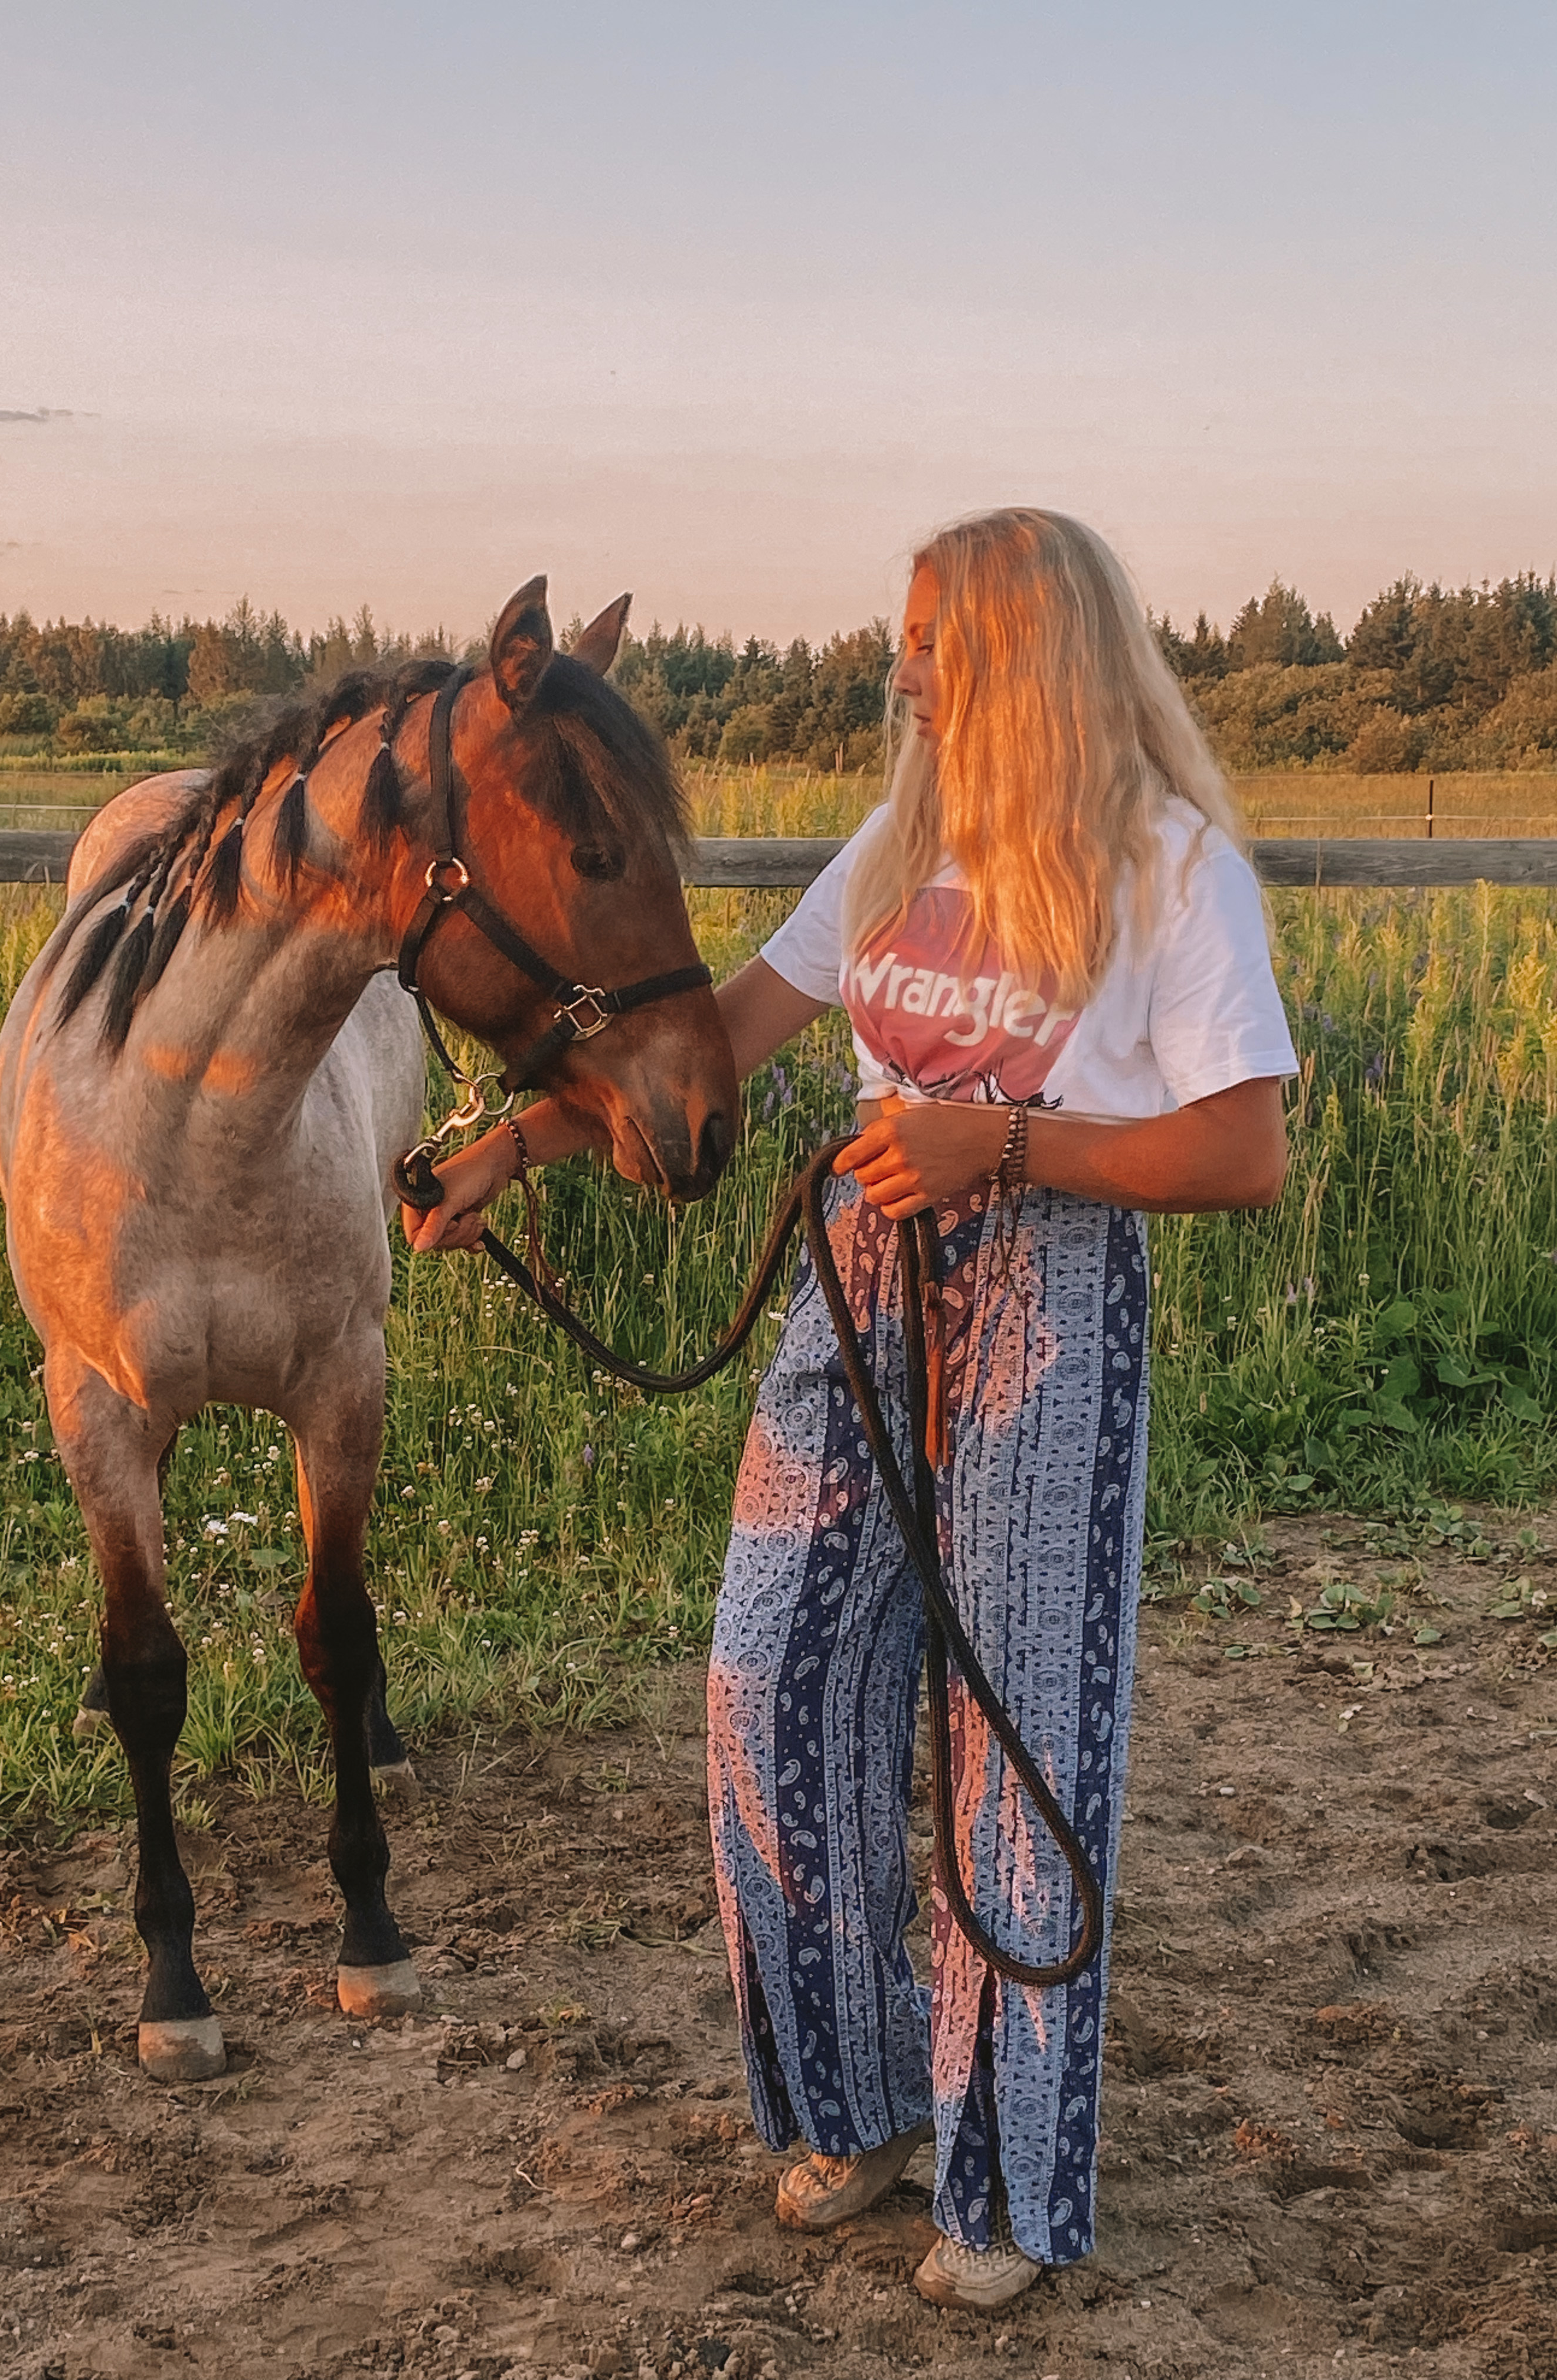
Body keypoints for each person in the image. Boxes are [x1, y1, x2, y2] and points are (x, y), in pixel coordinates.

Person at [403, 508, 1296, 2312]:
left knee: (1011, 1738)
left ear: (1021, 656)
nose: (896, 667)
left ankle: (998, 2185)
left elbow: (1244, 1149)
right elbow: (720, 1038)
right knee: (769, 1680)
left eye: (927, 637)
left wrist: (1010, 1142)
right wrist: (513, 1142)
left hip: (1048, 1290)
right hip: (861, 1280)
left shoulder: (1167, 867)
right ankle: (855, 2100)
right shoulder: (901, 846)